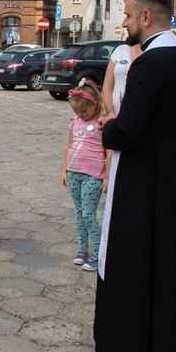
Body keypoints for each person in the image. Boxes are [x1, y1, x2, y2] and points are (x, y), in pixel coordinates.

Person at [94, 0, 176, 352]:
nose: (122, 21)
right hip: (173, 166)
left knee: (134, 261)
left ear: (145, 17)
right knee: (167, 261)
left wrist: (107, 126)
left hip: (142, 174)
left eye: (126, 14)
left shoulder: (148, 62)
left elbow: (131, 131)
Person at [61, 78, 110, 273]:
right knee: (79, 212)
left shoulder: (101, 123)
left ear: (94, 105)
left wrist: (106, 177)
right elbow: (69, 146)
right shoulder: (74, 122)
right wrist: (64, 169)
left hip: (93, 174)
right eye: (76, 111)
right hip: (74, 172)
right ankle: (83, 250)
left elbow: (108, 151)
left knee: (89, 214)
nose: (80, 114)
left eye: (84, 111)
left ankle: (98, 253)